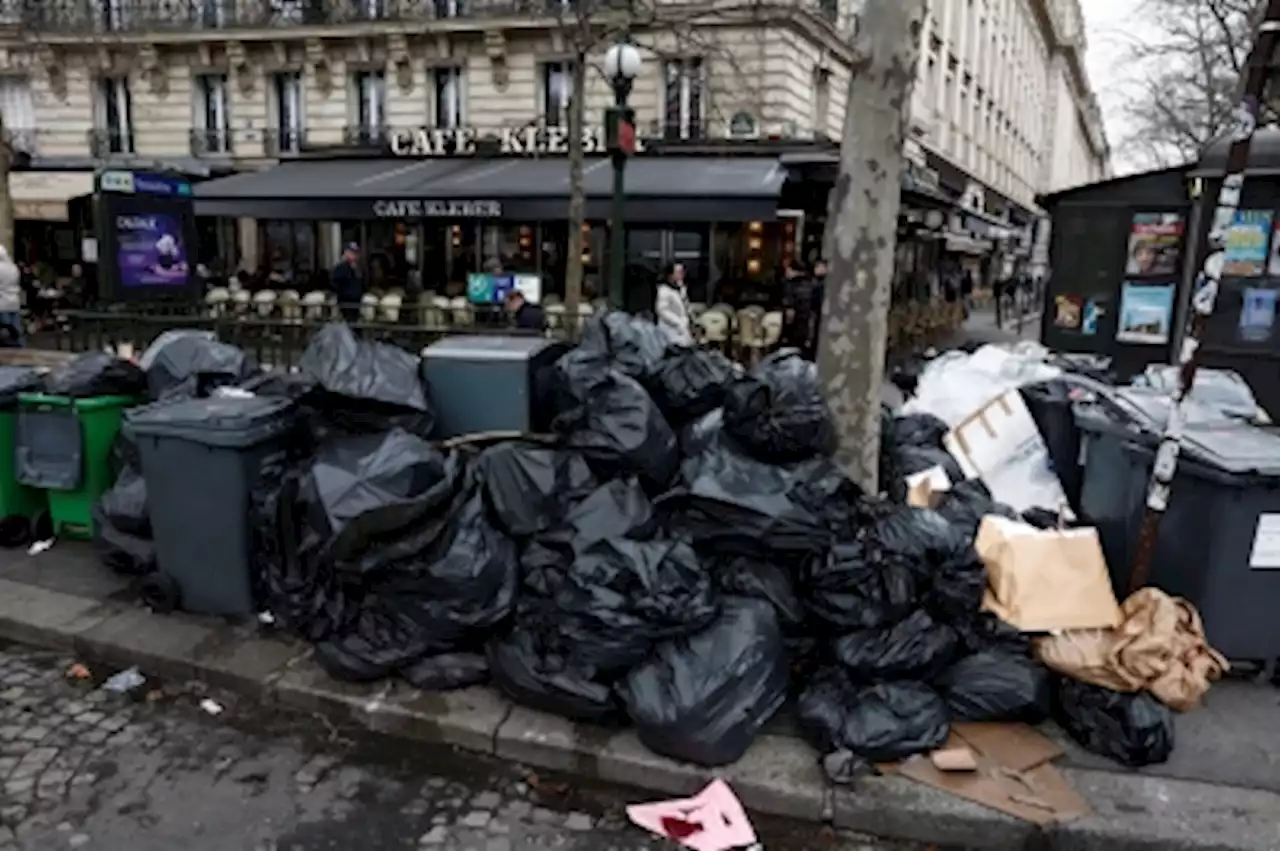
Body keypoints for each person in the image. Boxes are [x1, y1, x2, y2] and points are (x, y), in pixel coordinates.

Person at [655, 261, 693, 346]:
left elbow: (685, 306)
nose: (682, 274)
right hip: (669, 329)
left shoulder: (680, 288)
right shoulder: (664, 290)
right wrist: (678, 322)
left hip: (682, 328)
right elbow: (662, 310)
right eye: (678, 272)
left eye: (682, 272)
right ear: (670, 275)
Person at [330, 243, 363, 323]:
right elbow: (334, 282)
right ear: (346, 253)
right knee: (348, 322)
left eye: (355, 253)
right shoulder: (341, 267)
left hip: (357, 301)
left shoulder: (358, 268)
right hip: (345, 301)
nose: (354, 255)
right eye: (351, 252)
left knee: (355, 321)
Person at [0, 248, 23, 346]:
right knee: (16, 332)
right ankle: (21, 351)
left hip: (2, 303)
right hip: (14, 303)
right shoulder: (13, 267)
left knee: (4, 332)